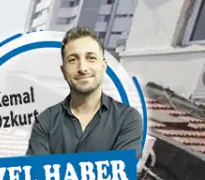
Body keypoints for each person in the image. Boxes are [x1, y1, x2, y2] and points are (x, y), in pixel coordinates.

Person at [27, 26, 143, 157]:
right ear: (63, 71)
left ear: (104, 67)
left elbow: (120, 173)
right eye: (72, 60)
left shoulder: (128, 119)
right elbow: (35, 174)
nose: (82, 68)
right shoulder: (46, 121)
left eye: (91, 58)